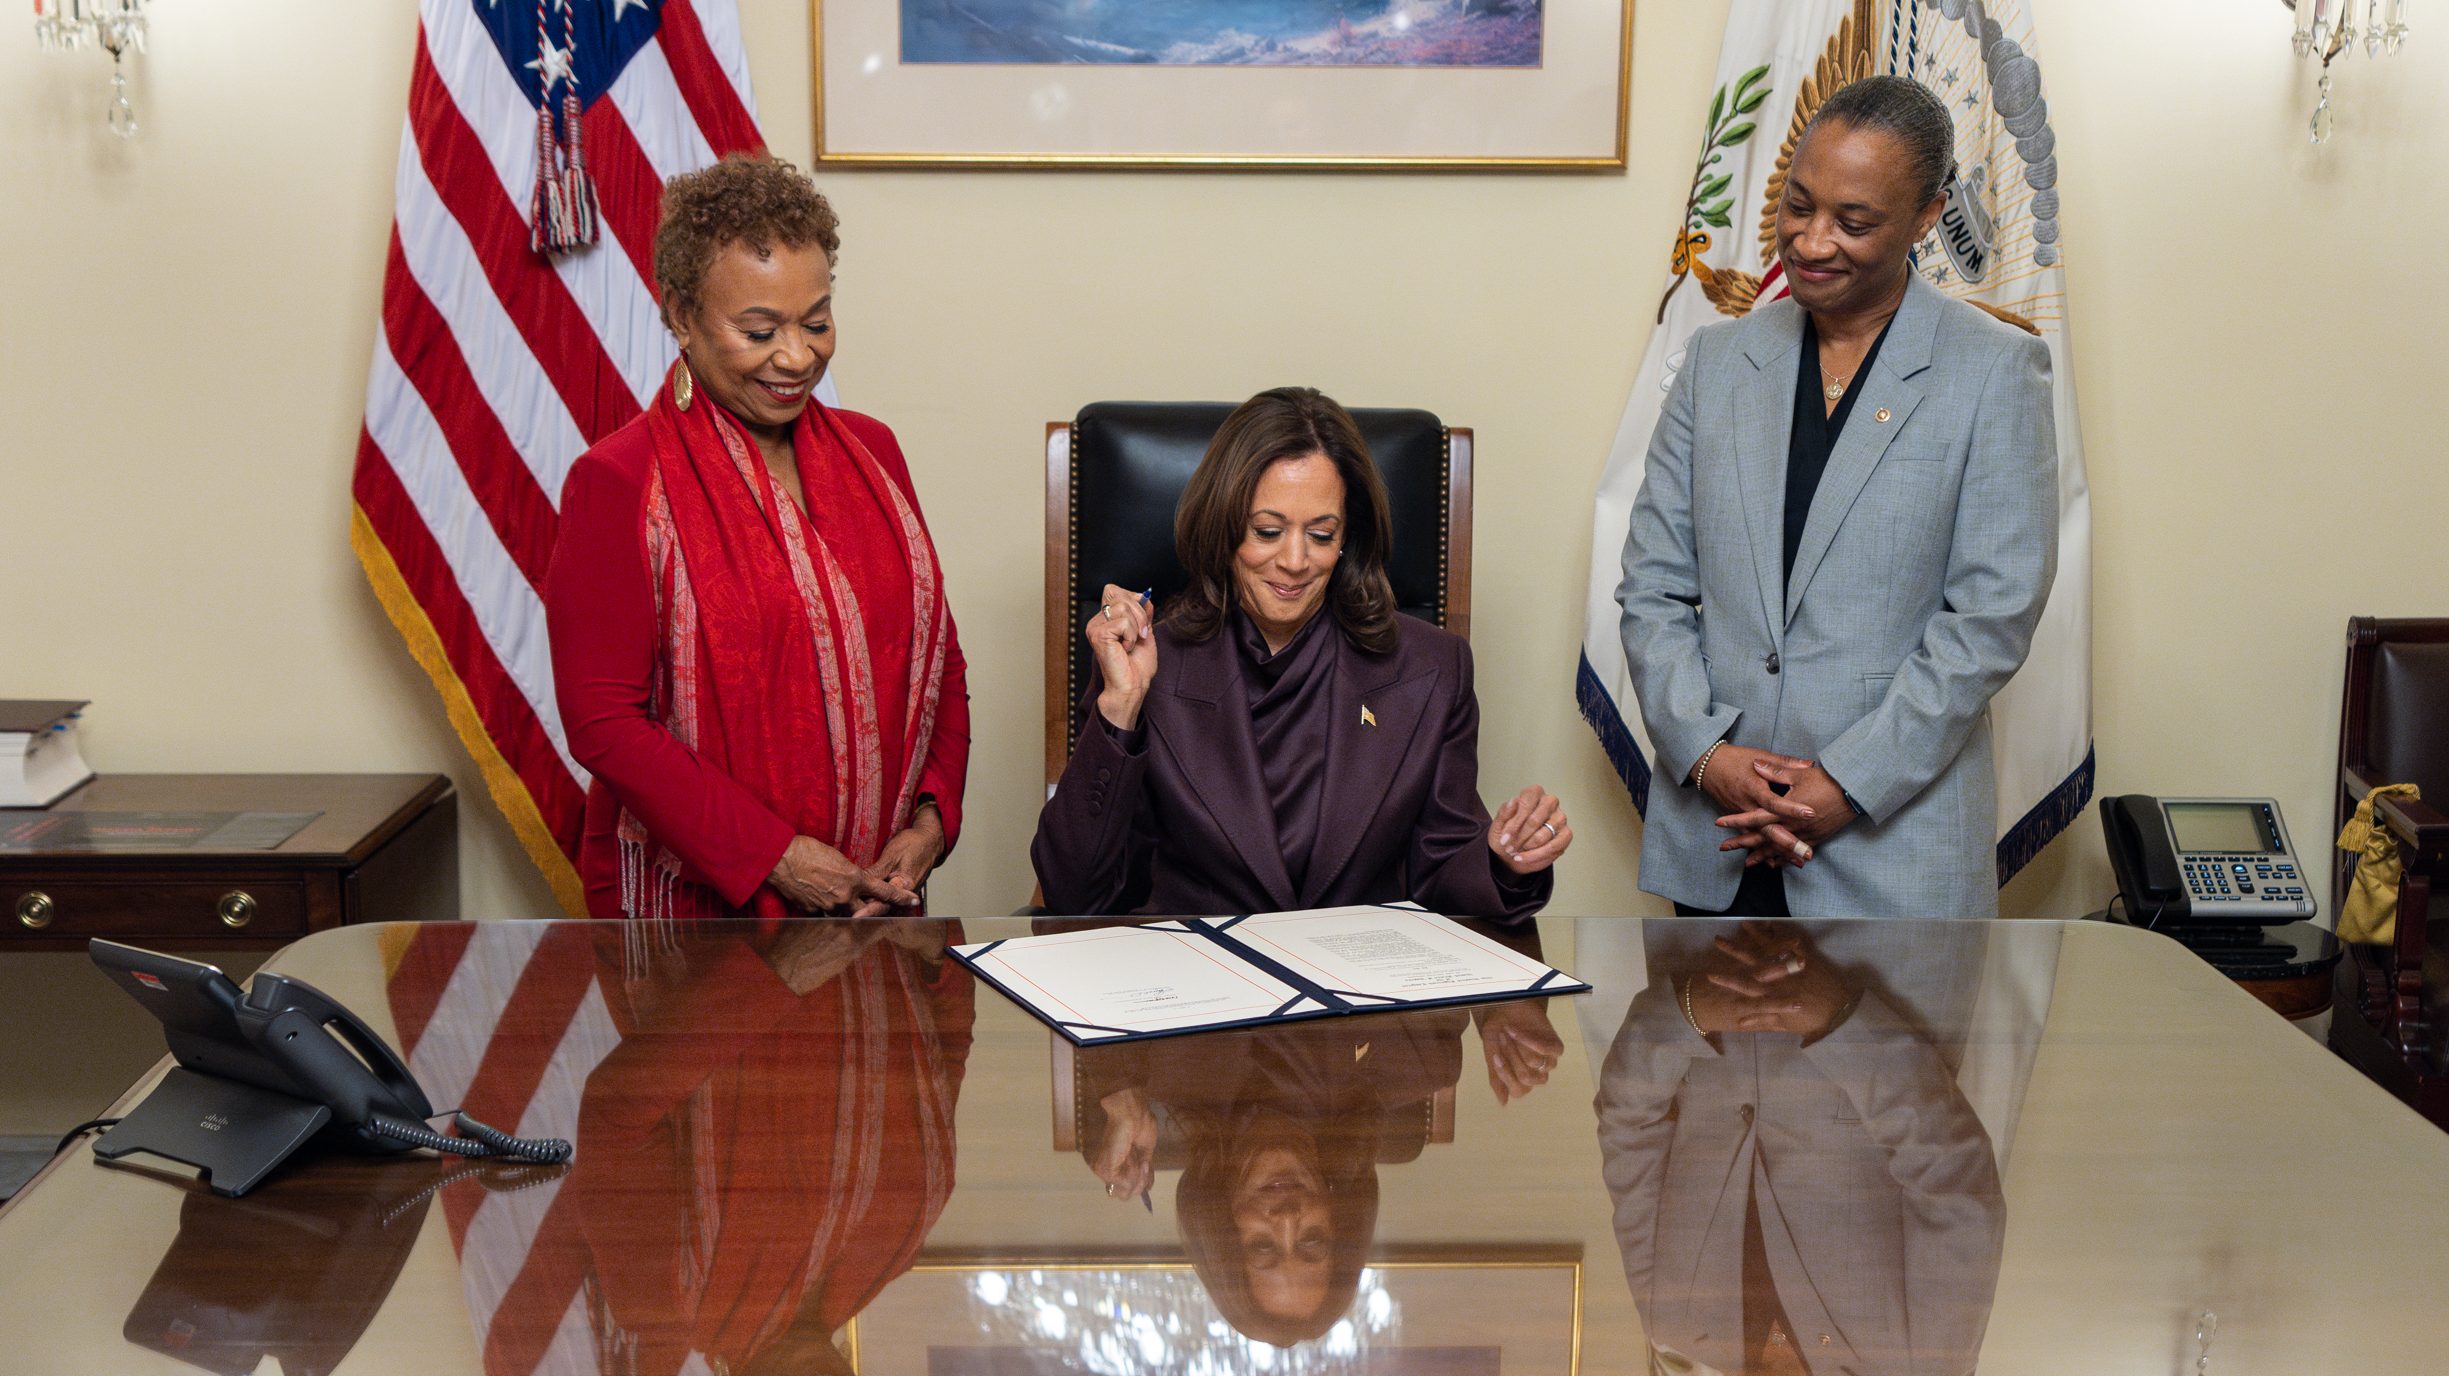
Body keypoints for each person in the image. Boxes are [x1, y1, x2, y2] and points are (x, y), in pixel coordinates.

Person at [1615, 75, 2058, 919]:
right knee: (1699, 1055)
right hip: (1719, 835)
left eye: (1853, 222)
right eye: (1797, 205)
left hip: (1891, 855)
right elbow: (1653, 588)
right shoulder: (1715, 364)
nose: (1811, 242)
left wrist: (1846, 783)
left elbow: (1989, 620)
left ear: (1927, 217)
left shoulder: (1995, 370)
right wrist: (1709, 756)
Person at [545, 154, 968, 922]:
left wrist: (931, 821)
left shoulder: (876, 453)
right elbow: (603, 725)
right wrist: (782, 858)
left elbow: (935, 658)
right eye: (759, 329)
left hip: (882, 893)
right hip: (702, 915)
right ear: (678, 312)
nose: (798, 357)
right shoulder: (617, 482)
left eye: (816, 321)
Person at [1031, 386, 1569, 921]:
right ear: (1224, 527)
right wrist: (1120, 706)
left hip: (1360, 990)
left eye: (1320, 534)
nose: (1295, 560)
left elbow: (1441, 864)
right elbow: (1075, 895)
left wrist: (1503, 861)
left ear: (1346, 539)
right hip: (1199, 985)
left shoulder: (1430, 668)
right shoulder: (1149, 663)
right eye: (1267, 531)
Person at [1596, 920, 2005, 1375]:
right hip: (1886, 966)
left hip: (1710, 950)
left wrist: (1685, 1013)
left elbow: (1627, 1126)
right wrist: (1842, 1018)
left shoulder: (1673, 1335)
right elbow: (1953, 1176)